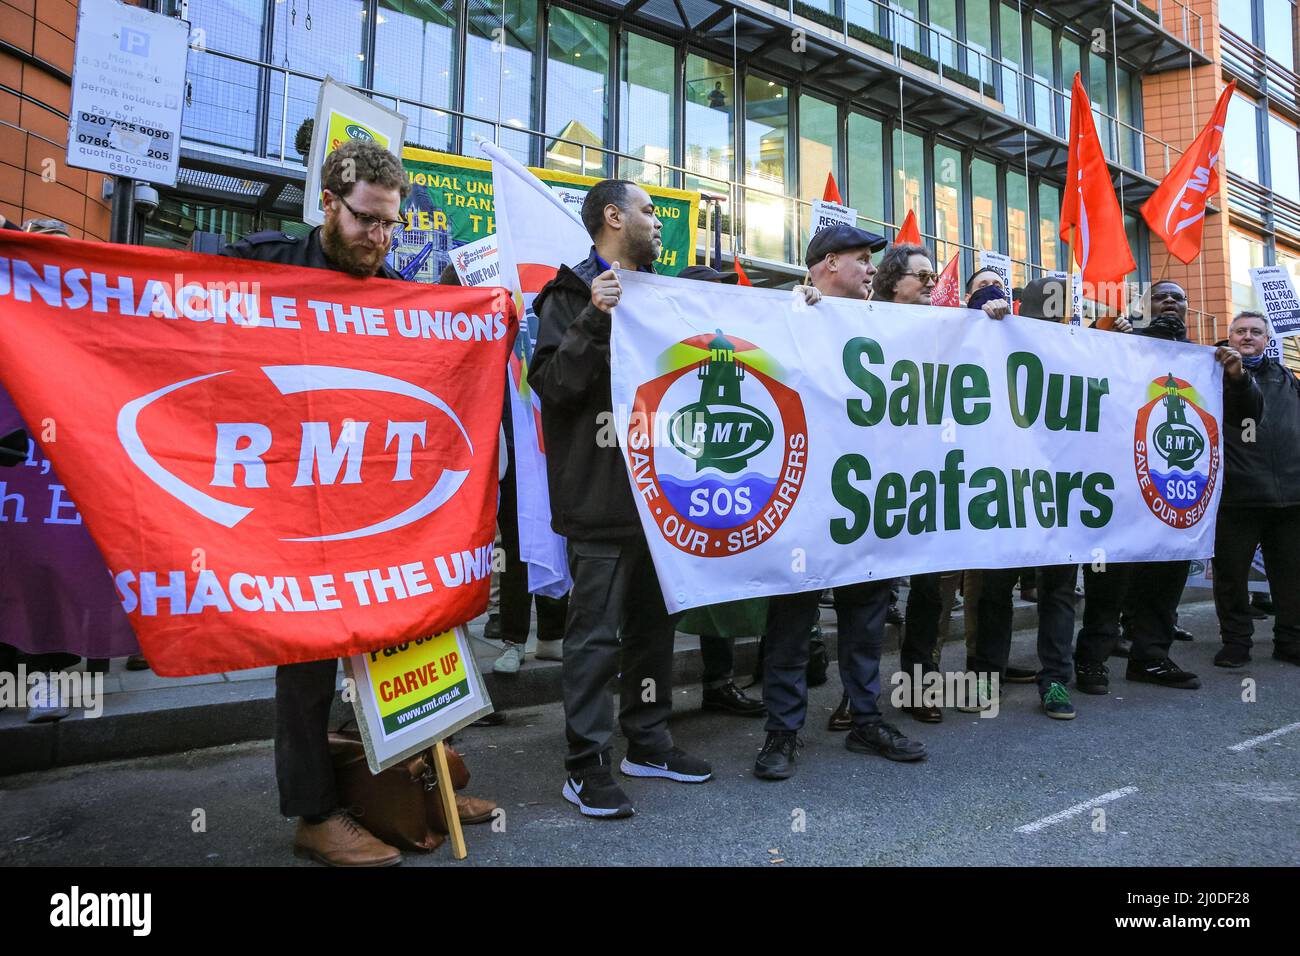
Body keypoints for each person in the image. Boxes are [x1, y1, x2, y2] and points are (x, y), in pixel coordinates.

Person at [223, 140, 496, 865]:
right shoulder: (267, 263)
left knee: (413, 639)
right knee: (308, 665)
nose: (379, 238)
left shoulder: (399, 283)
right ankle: (314, 814)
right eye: (365, 221)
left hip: (379, 506)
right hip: (291, 512)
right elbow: (177, 321)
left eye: (389, 224)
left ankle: (421, 781)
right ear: (327, 205)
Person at [529, 179, 713, 819]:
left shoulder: (664, 295)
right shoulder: (569, 295)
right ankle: (585, 766)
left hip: (662, 499)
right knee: (595, 639)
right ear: (613, 217)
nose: (659, 222)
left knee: (651, 632)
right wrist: (591, 318)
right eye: (649, 210)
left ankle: (650, 741)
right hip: (601, 498)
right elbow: (553, 386)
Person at [754, 224, 927, 780]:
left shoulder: (889, 325)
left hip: (865, 499)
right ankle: (781, 731)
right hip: (803, 503)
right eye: (860, 259)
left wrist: (988, 316)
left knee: (867, 616)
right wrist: (792, 307)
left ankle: (865, 719)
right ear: (827, 264)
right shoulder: (788, 314)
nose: (872, 269)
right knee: (791, 619)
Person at [960, 276, 1127, 719]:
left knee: (1057, 591)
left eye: (1064, 307)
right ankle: (985, 677)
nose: (1060, 314)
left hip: (1059, 496)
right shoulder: (998, 338)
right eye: (1050, 306)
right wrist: (988, 315)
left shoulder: (1079, 348)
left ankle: (1055, 680)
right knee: (996, 590)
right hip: (1006, 492)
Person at [1073, 280, 1208, 693]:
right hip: (1120, 488)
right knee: (1110, 578)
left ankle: (1150, 657)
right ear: (1143, 308)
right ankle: (1092, 659)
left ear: (1188, 309)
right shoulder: (1119, 346)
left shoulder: (1205, 360)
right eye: (1160, 297)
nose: (1170, 302)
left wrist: (1236, 377)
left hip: (1173, 487)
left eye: (1178, 297)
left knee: (1165, 575)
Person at [673, 264, 767, 717]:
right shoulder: (668, 337)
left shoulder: (731, 337)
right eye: (715, 290)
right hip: (680, 473)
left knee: (720, 582)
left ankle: (719, 682)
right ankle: (647, 695)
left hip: (727, 471)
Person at [1211, 311, 1299, 668]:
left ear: (1267, 339)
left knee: (1291, 577)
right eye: (1240, 332)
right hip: (1238, 496)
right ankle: (1236, 643)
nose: (1248, 337)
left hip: (1291, 496)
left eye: (1256, 332)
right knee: (1231, 576)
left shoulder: (1286, 376)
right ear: (1229, 337)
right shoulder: (1211, 374)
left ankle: (1290, 641)